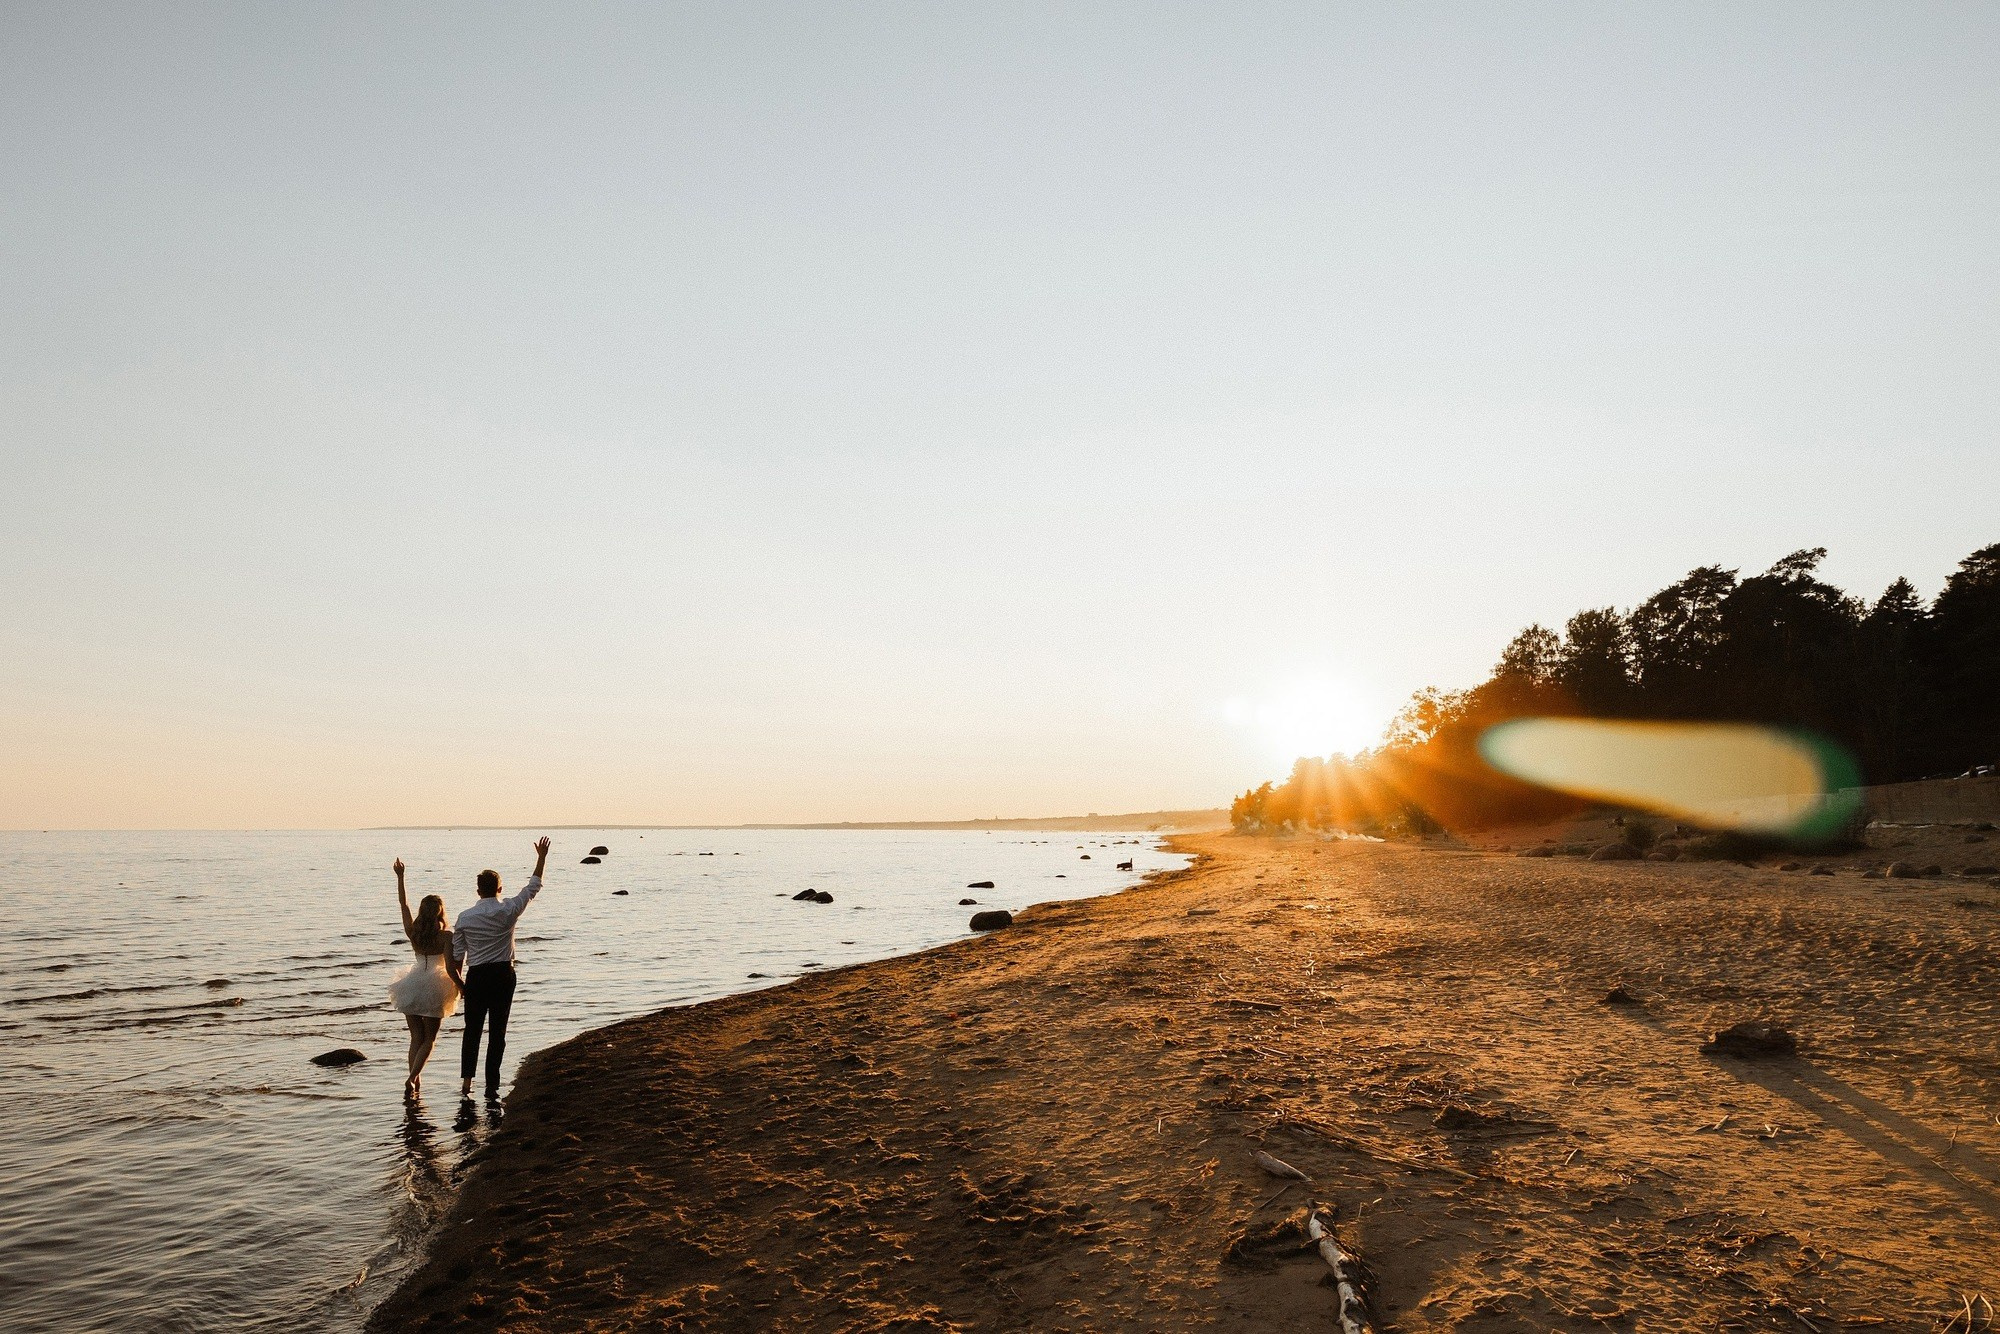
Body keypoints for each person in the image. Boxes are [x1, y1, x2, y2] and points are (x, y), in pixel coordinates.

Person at [452, 836, 550, 1101]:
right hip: (503, 975)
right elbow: (533, 887)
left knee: (472, 1030)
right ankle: (491, 1085)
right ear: (499, 888)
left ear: (477, 891)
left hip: (477, 976)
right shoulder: (509, 909)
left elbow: (456, 957)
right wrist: (541, 857)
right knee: (498, 1031)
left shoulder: (464, 918)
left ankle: (466, 1084)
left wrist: (461, 985)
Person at [388, 858, 461, 1098]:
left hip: (412, 983)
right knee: (429, 1039)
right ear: (441, 912)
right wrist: (462, 987)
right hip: (435, 986)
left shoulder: (413, 932)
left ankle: (415, 1082)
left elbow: (403, 905)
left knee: (415, 1037)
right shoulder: (446, 936)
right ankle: (411, 1079)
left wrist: (400, 877)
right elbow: (450, 968)